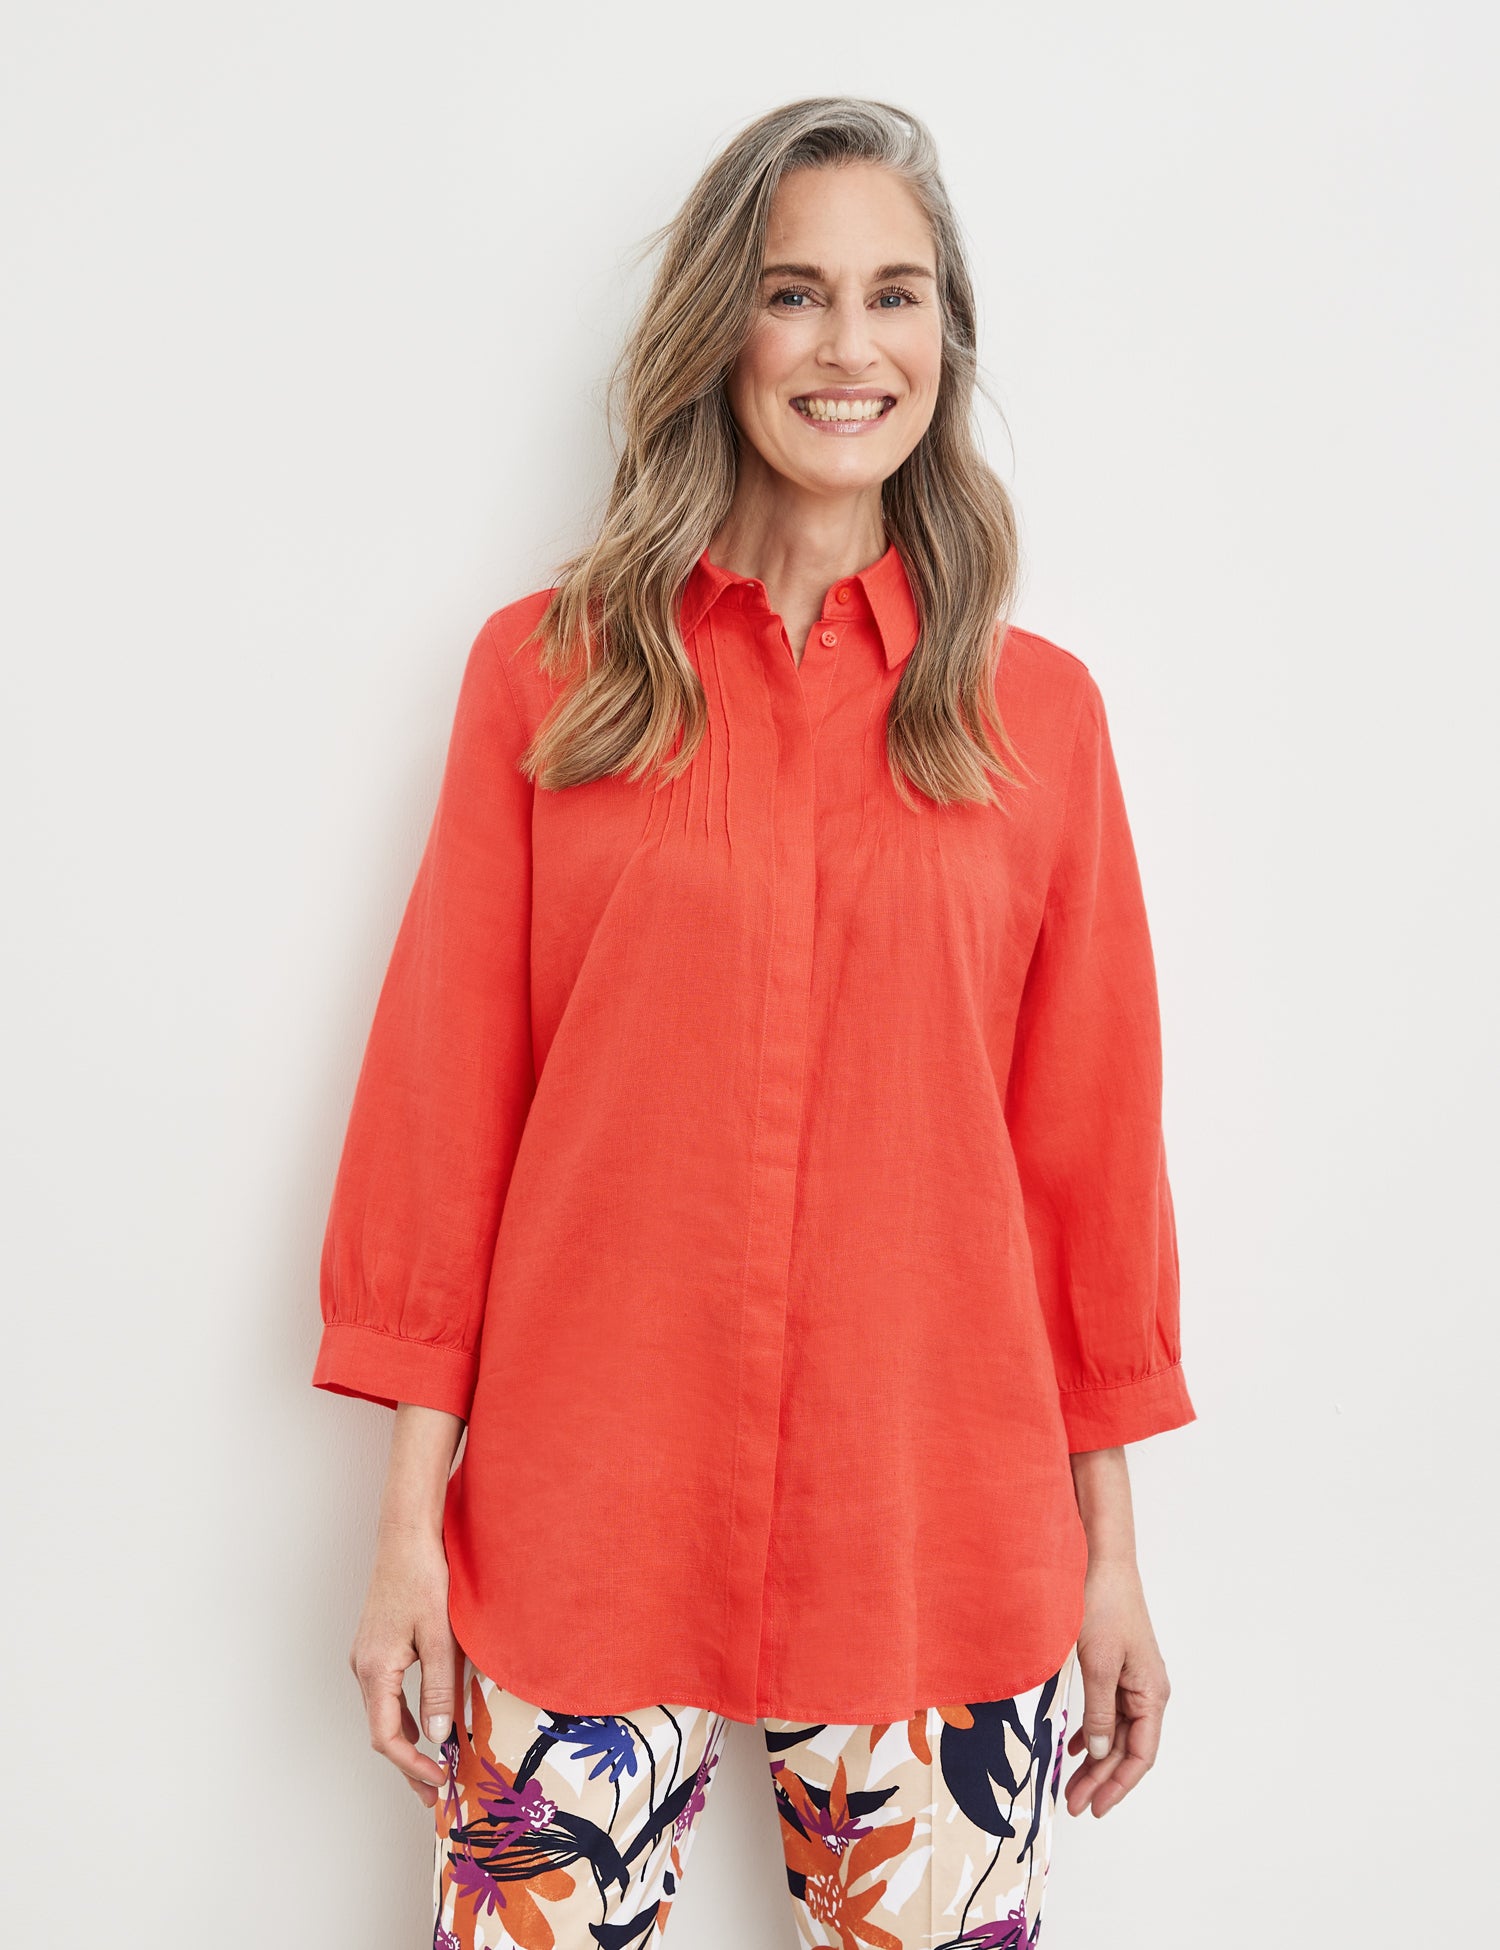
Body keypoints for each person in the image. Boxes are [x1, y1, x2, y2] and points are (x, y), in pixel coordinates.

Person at [312, 95, 1197, 1949]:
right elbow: (446, 1106)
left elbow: (1085, 1174)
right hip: (579, 1522)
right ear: (723, 327)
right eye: (795, 292)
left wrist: (1113, 1556)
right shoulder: (549, 679)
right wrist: (403, 1533)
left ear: (946, 337)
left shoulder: (1040, 721)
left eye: (896, 293)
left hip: (935, 1540)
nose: (848, 344)